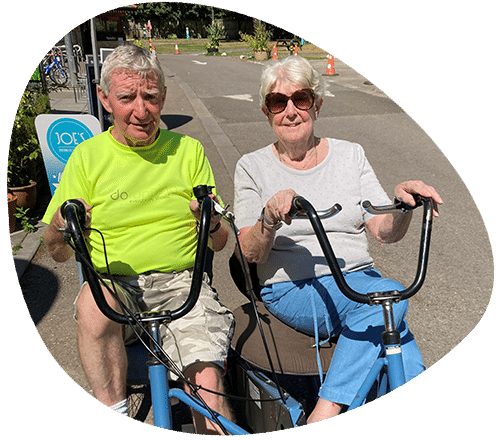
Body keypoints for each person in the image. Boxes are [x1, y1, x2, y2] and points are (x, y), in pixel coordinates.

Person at [233, 56, 443, 424]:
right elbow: (249, 252)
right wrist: (268, 219)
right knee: (387, 304)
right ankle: (326, 412)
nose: (291, 111)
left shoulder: (351, 154)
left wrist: (404, 205)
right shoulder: (252, 166)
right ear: (267, 112)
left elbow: (384, 232)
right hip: (292, 288)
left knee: (397, 330)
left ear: (318, 104)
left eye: (301, 99)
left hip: (356, 280)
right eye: (278, 103)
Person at [42, 45, 234, 434]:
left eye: (150, 97)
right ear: (104, 99)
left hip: (183, 284)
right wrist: (61, 224)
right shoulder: (86, 157)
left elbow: (221, 243)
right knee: (94, 304)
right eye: (127, 97)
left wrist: (211, 222)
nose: (141, 111)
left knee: (209, 383)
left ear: (162, 97)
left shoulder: (189, 152)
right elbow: (57, 253)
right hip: (116, 284)